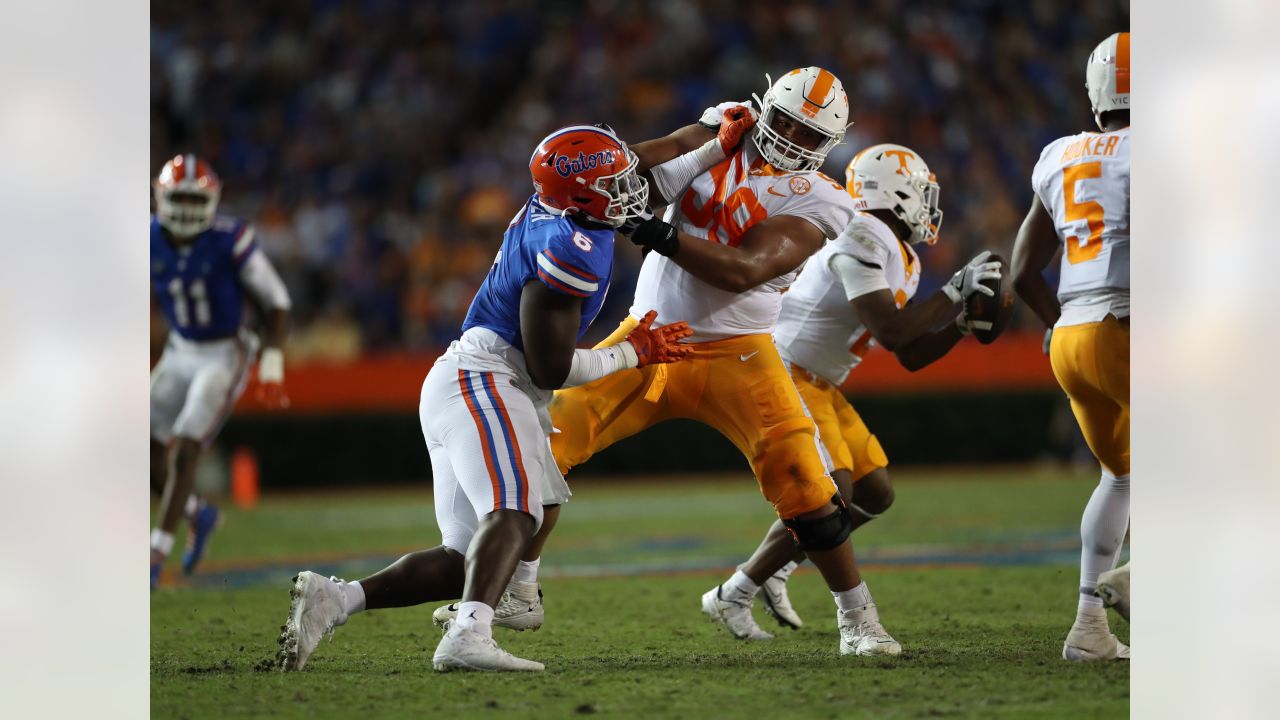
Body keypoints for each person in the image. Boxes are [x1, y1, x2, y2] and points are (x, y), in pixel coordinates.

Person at [463, 68, 993, 656]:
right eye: (785, 119)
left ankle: (858, 619)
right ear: (764, 106)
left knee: (807, 485)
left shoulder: (827, 202)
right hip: (651, 337)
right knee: (541, 450)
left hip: (740, 351)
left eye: (808, 133)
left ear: (830, 145)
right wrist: (707, 139)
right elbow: (623, 168)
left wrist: (651, 230)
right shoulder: (725, 125)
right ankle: (518, 590)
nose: (790, 136)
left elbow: (744, 269)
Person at [278, 116, 755, 673]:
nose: (630, 189)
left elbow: (641, 169)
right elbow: (550, 367)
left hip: (480, 379)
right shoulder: (568, 247)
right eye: (614, 182)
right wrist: (635, 352)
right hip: (488, 379)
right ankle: (469, 634)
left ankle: (338, 599)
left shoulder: (569, 206)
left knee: (470, 557)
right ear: (581, 199)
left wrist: (709, 144)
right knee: (513, 512)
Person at [704, 143, 1002, 634]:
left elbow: (910, 356)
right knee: (832, 490)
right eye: (920, 192)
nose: (927, 204)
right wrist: (953, 293)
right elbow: (893, 331)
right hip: (784, 370)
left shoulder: (901, 255)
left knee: (874, 492)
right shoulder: (862, 234)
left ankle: (769, 570)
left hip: (821, 381)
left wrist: (962, 324)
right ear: (897, 191)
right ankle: (735, 593)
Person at [1011, 32, 1130, 662]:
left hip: (1071, 338)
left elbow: (1021, 271)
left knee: (1122, 476)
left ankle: (1088, 628)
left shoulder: (1060, 154)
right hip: (1129, 328)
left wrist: (1058, 324)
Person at [150, 154, 291, 590]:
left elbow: (277, 302)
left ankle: (155, 555)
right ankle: (197, 512)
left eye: (197, 200)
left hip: (224, 353)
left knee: (186, 448)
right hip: (179, 349)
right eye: (181, 199)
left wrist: (271, 361)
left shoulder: (231, 238)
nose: (189, 210)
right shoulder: (146, 237)